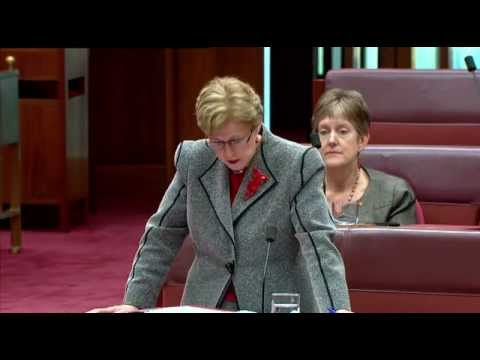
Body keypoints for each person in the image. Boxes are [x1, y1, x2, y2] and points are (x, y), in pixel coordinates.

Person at [89, 77, 350, 313]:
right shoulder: (194, 159)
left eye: (236, 140)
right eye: (217, 142)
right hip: (206, 302)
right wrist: (134, 301)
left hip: (275, 302)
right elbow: (161, 234)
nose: (228, 152)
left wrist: (337, 309)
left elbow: (318, 244)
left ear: (257, 128)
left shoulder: (297, 163)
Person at [311, 88, 417, 226]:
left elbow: (403, 247)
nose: (331, 140)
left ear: (362, 140)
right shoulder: (296, 192)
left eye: (342, 131)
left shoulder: (395, 194)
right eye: (324, 132)